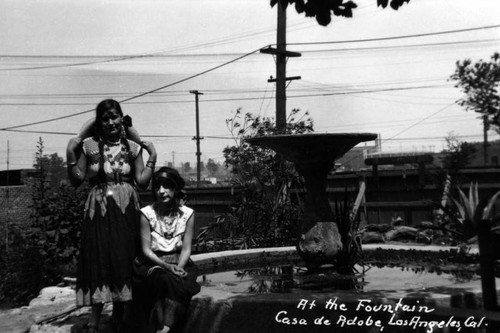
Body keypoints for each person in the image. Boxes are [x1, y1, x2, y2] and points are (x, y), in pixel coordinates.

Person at [66, 99, 157, 333]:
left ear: (121, 118)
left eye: (114, 117)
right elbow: (77, 179)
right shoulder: (90, 146)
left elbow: (143, 182)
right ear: (99, 122)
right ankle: (94, 318)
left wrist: (152, 155)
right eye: (105, 118)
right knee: (98, 255)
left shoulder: (132, 148)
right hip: (98, 209)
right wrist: (70, 152)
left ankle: (119, 313)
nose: (110, 122)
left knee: (123, 255)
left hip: (126, 208)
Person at [132, 167, 200, 333]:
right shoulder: (147, 214)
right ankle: (165, 326)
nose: (161, 191)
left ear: (175, 188)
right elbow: (146, 250)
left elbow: (186, 248)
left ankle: (166, 326)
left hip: (178, 261)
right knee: (162, 278)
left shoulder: (187, 214)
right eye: (157, 187)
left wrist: (180, 267)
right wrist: (167, 267)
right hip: (151, 262)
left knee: (182, 282)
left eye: (167, 186)